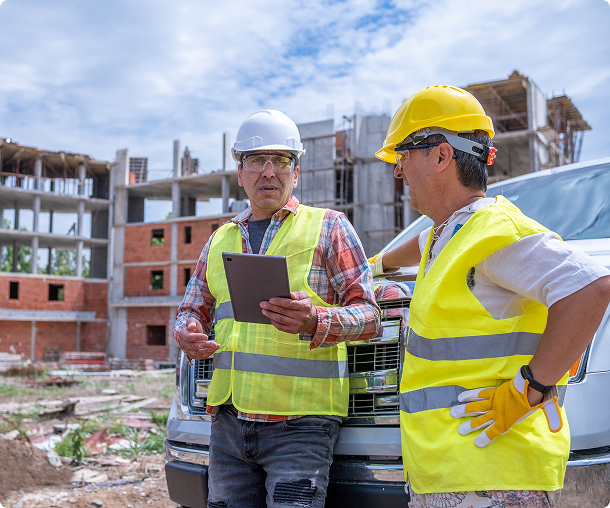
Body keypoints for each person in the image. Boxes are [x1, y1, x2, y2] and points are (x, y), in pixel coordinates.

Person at [370, 86, 610, 507]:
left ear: (442, 156)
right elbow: (408, 250)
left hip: (492, 476)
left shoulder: (492, 231)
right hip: (452, 471)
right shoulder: (451, 232)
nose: (399, 170)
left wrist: (529, 388)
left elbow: (592, 287)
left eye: (404, 154)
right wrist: (366, 268)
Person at [174, 109, 380, 508]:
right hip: (229, 426)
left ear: (296, 172)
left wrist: (317, 319)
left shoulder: (329, 227)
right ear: (240, 171)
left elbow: (370, 315)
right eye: (256, 160)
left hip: (300, 428)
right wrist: (186, 330)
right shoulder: (219, 239)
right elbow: (191, 309)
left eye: (281, 161)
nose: (268, 172)